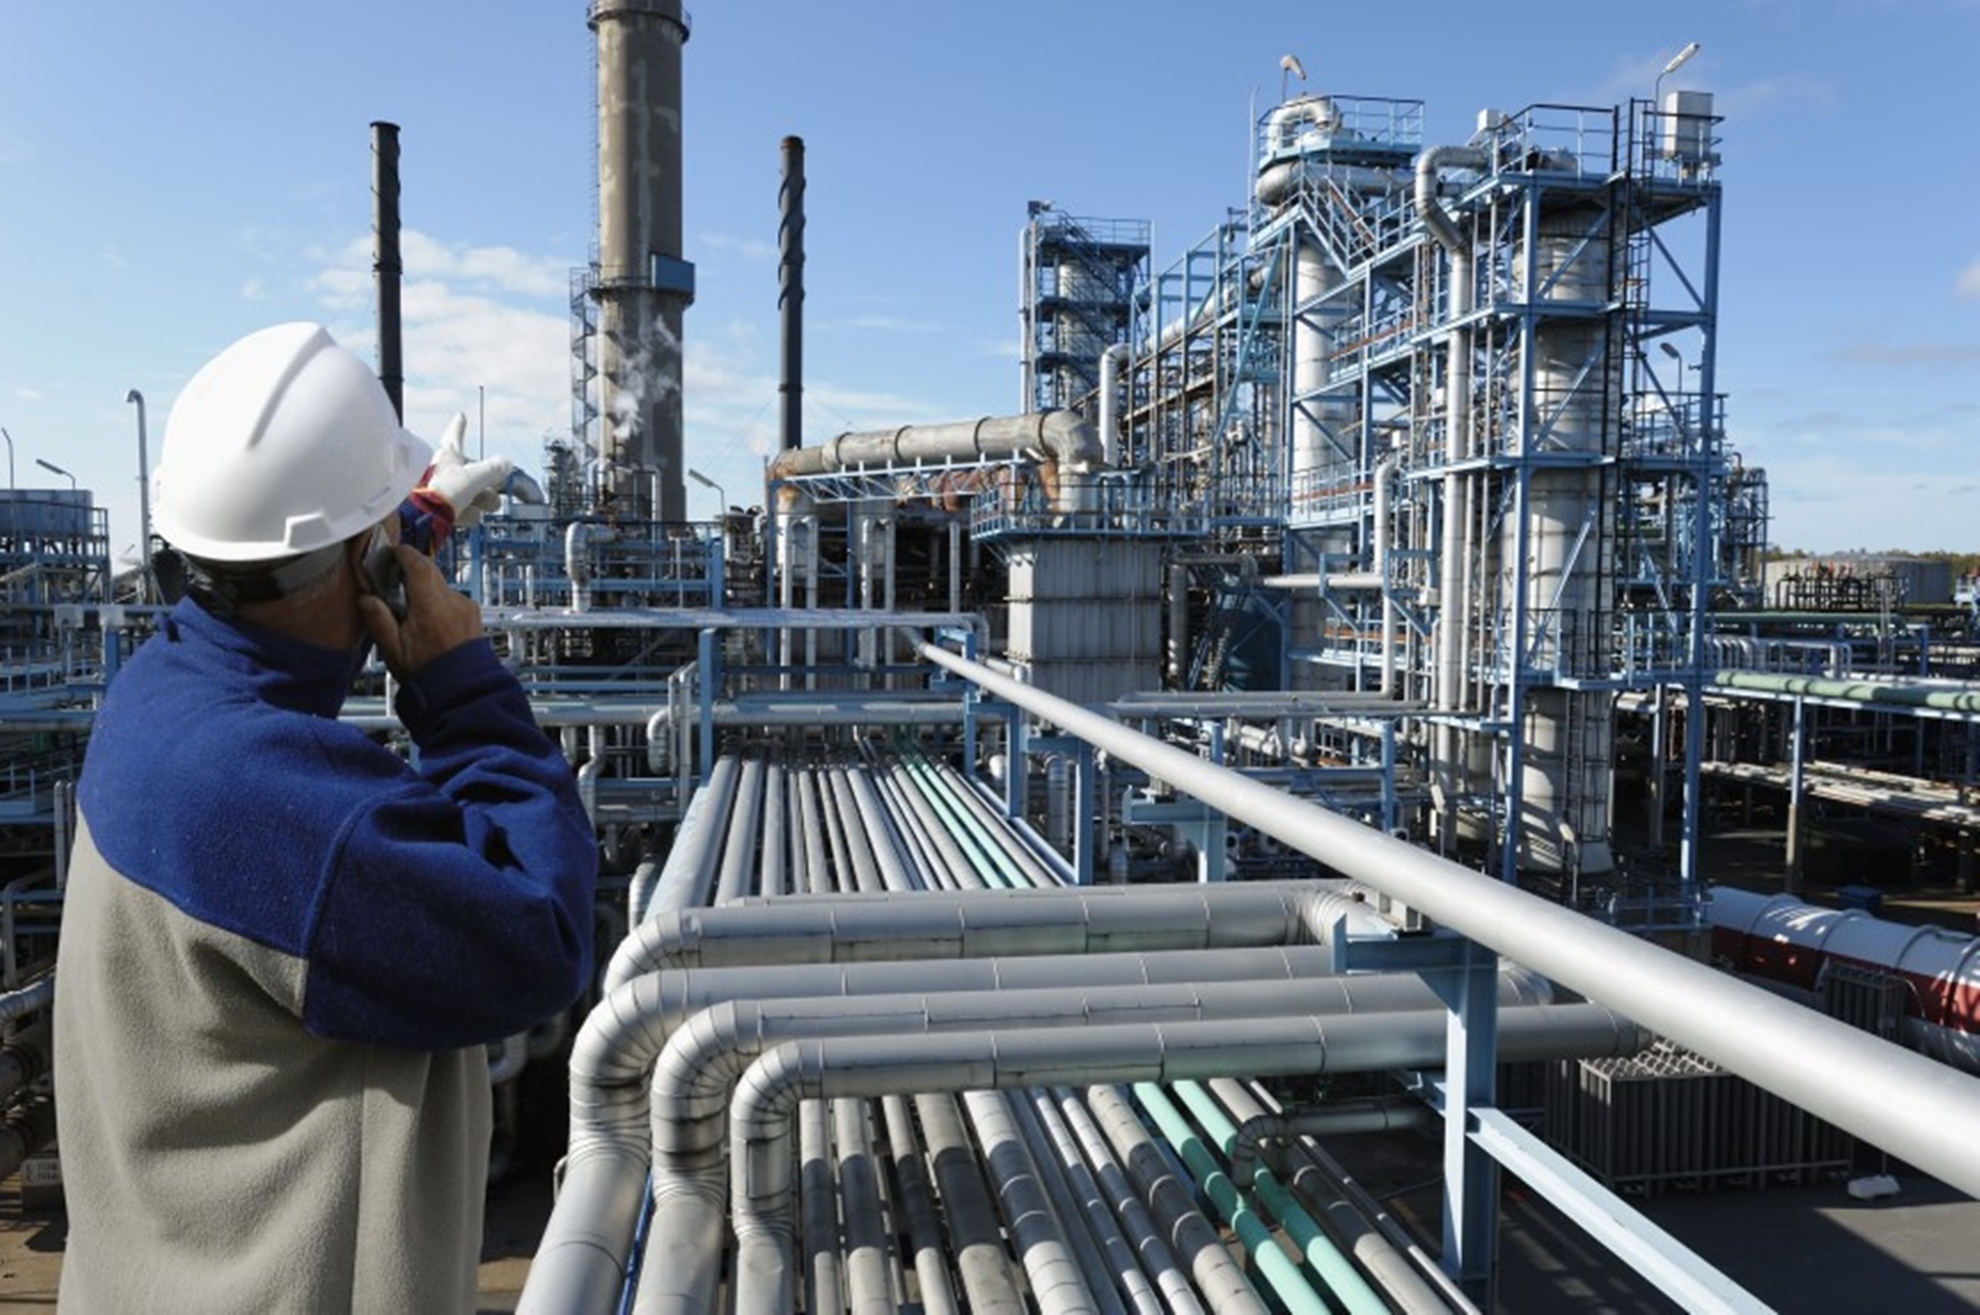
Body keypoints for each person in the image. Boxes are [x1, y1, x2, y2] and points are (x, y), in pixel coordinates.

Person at [52, 322, 598, 1312]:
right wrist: (462, 689)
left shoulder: (158, 692)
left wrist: (419, 516)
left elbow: (290, 570)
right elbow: (543, 929)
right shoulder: (292, 810)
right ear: (358, 562)